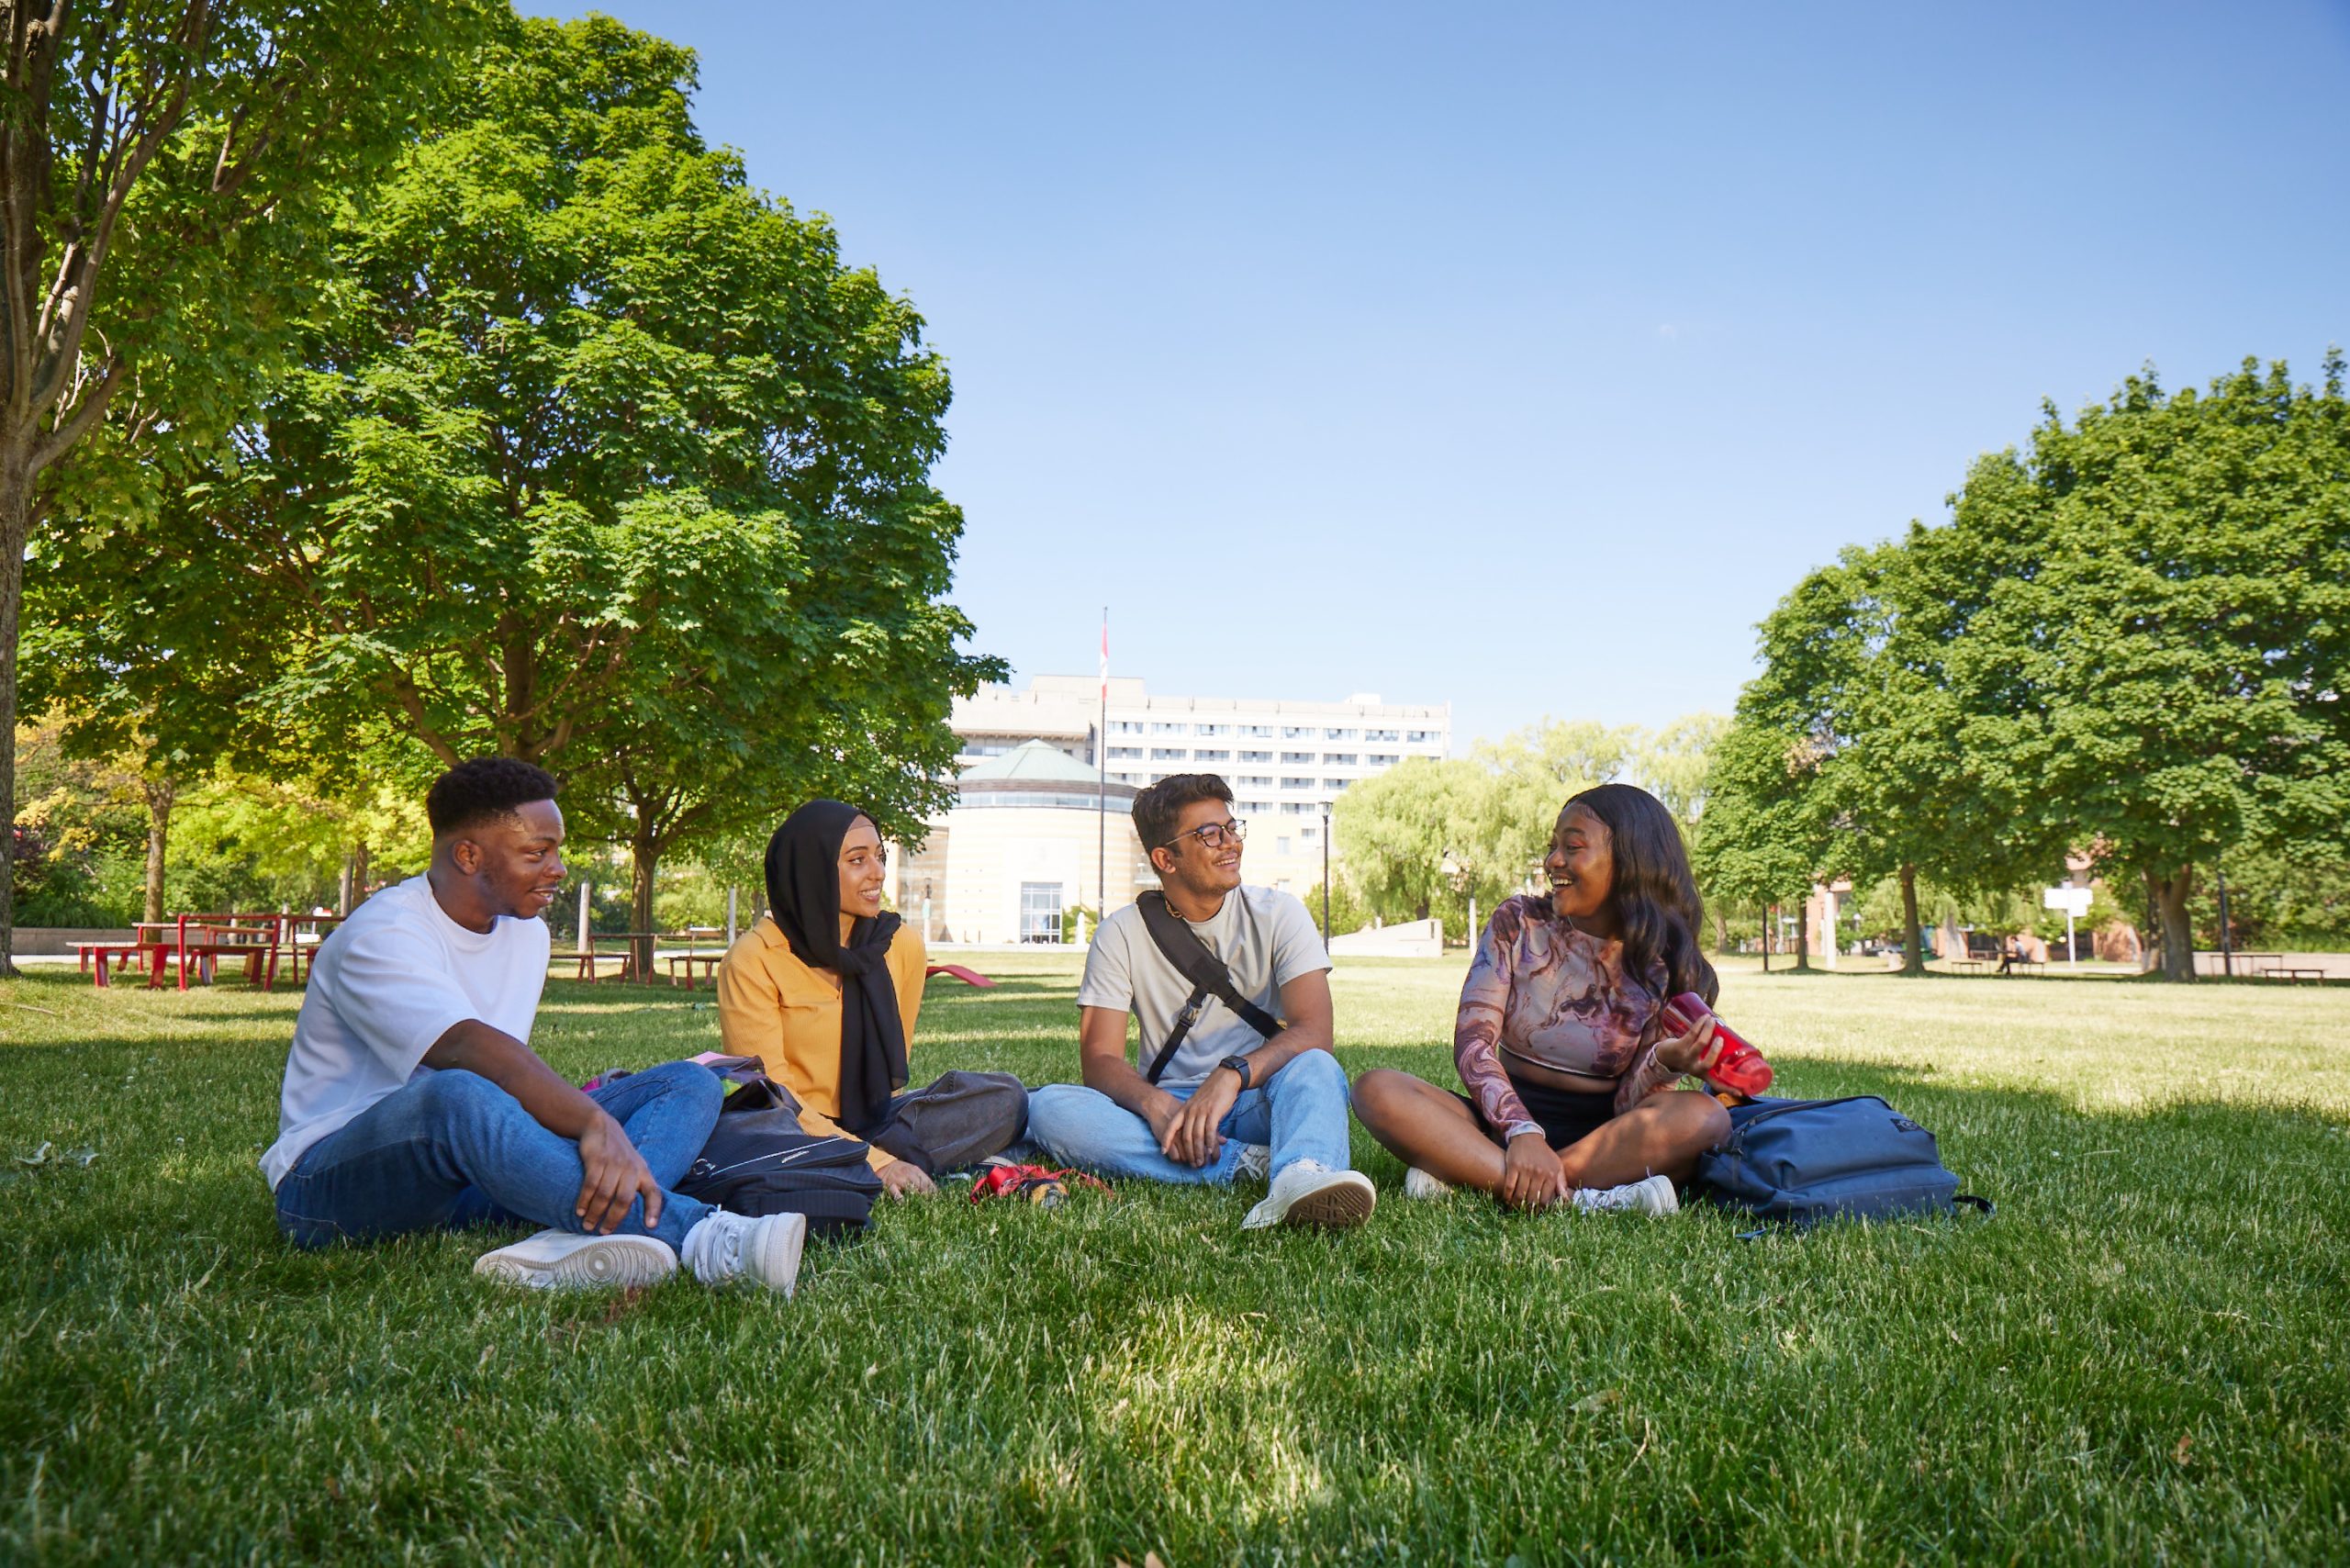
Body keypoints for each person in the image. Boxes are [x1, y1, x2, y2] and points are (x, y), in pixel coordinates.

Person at [265, 757, 805, 1294]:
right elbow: (466, 1047)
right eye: (536, 852)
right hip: (333, 1184)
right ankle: (703, 1236)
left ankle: (567, 1240)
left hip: (475, 1174)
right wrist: (595, 1124)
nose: (559, 868)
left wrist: (590, 1123)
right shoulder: (381, 935)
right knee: (453, 1094)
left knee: (689, 1082)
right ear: (468, 855)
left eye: (557, 850)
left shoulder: (527, 934)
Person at [1350, 783, 1733, 1215]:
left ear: (1631, 863)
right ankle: (1584, 1198)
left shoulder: (1661, 964)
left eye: (1572, 847)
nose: (1553, 861)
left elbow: (1632, 1108)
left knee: (1706, 1118)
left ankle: (1477, 1177)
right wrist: (1522, 1131)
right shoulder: (1518, 922)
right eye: (1553, 847)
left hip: (1603, 1140)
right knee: (1376, 1089)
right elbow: (1474, 1044)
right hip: (1498, 1123)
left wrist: (1665, 1063)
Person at [1024, 774, 1375, 1230]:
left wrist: (1233, 1074)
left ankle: (1303, 1173)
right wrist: (1154, 1106)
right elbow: (1100, 1059)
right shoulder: (1120, 934)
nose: (1230, 844)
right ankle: (1256, 1166)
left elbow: (1314, 1033)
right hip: (1172, 1111)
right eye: (1209, 835)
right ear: (1165, 858)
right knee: (1051, 1109)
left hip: (1258, 1098)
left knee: (1317, 1068)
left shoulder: (1279, 913)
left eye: (1232, 828)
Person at [716, 800, 1026, 1196]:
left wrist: (877, 1143)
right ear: (811, 871)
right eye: (857, 860)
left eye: (879, 856)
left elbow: (893, 1073)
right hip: (789, 1127)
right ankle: (865, 1164)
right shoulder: (752, 960)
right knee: (760, 1131)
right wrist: (879, 1161)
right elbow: (770, 1095)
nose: (878, 872)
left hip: (875, 1119)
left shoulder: (900, 944)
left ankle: (854, 1164)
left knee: (1006, 1097)